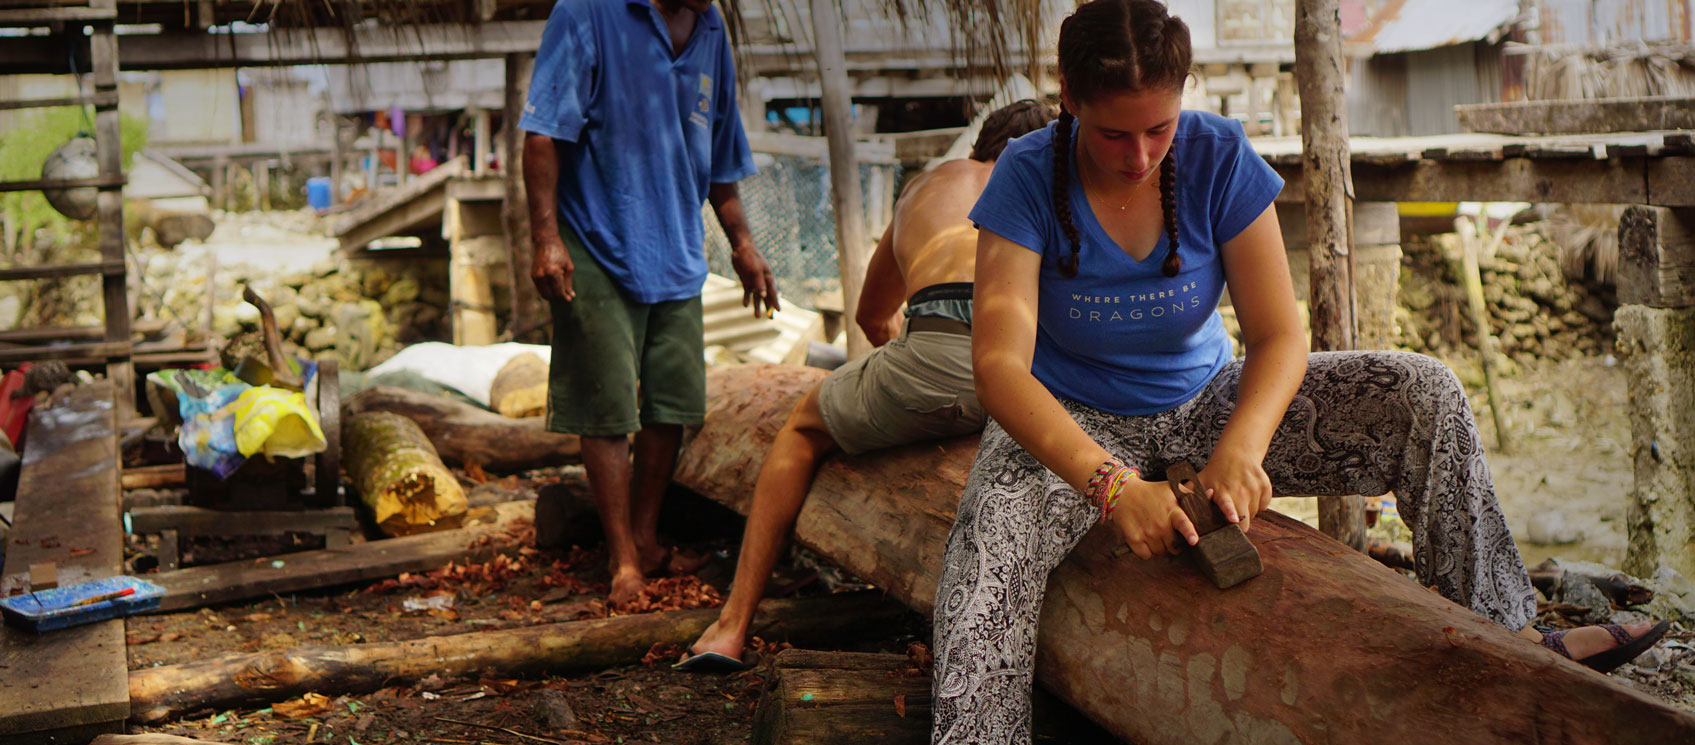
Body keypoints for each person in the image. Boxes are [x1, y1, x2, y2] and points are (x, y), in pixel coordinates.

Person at [931, 1, 1670, 741]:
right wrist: (1111, 485)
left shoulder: (1216, 154)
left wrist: (1241, 450)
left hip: (1208, 401)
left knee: (1423, 393)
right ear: (1068, 98)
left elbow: (1279, 334)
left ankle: (1508, 637)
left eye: (1158, 128)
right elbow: (999, 367)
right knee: (985, 547)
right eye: (1113, 133)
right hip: (1075, 421)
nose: (1138, 156)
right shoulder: (1027, 176)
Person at [676, 101, 1057, 671]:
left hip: (935, 352)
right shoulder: (1059, 190)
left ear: (983, 145)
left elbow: (872, 317)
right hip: (1033, 373)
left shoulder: (931, 185)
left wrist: (910, 390)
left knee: (801, 430)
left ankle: (731, 628)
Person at [520, 0, 781, 608]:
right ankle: (623, 561)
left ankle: (646, 535)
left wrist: (743, 243)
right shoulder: (586, 13)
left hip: (677, 248)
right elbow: (541, 135)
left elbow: (720, 154)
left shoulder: (711, 27)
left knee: (671, 403)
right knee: (608, 408)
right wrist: (545, 238)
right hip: (594, 242)